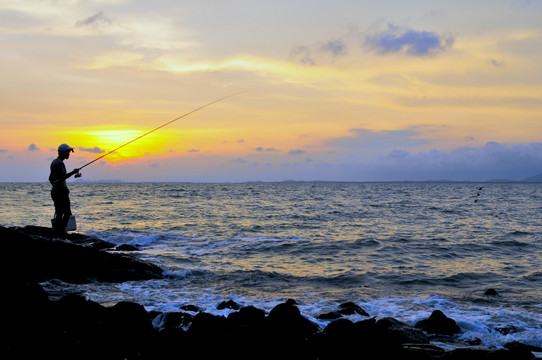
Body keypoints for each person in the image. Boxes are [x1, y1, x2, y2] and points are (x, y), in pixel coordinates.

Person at [49, 143, 81, 238]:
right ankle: (60, 234)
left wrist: (55, 186)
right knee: (66, 213)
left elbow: (50, 178)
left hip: (56, 191)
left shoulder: (54, 162)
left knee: (59, 212)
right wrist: (74, 172)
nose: (69, 154)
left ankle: (58, 233)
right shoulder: (59, 163)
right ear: (63, 153)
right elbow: (63, 176)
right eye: (68, 152)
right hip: (60, 193)